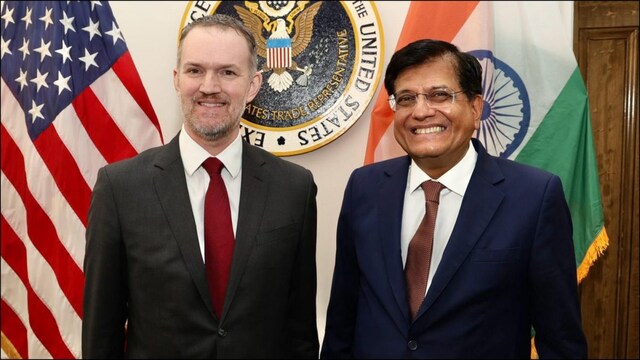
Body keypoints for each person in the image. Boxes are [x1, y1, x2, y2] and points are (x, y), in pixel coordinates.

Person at [321, 39, 587, 358]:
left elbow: (560, 339)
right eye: (406, 98)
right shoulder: (364, 187)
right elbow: (342, 320)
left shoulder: (534, 197)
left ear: (475, 108)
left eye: (439, 95)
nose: (421, 111)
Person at [82, 14, 319, 358]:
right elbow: (101, 331)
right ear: (177, 80)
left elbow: (300, 329)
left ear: (253, 85)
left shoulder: (294, 188)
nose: (210, 86)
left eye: (227, 72)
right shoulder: (120, 188)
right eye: (195, 70)